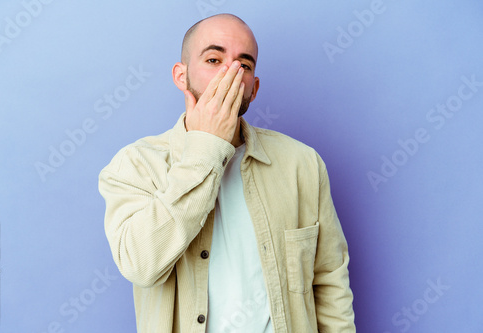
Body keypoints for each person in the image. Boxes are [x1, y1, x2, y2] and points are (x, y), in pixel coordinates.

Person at [99, 13, 355, 333]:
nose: (230, 73)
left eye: (244, 65)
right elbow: (140, 265)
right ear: (181, 75)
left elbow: (330, 281)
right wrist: (207, 147)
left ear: (254, 88)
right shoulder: (134, 165)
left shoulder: (302, 164)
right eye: (213, 59)